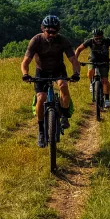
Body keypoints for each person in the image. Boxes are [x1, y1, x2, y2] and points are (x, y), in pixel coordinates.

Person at [21, 15, 81, 148]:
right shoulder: (36, 40)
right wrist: (25, 74)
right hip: (41, 71)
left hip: (58, 69)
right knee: (41, 98)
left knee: (63, 85)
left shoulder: (62, 40)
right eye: (48, 31)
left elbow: (73, 60)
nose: (51, 34)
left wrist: (76, 73)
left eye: (54, 31)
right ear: (43, 29)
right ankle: (41, 131)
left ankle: (64, 115)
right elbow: (25, 62)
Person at [74, 28, 110, 109]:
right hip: (92, 60)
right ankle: (91, 83)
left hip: (104, 61)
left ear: (103, 36)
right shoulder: (89, 41)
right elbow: (78, 49)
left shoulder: (107, 41)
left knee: (105, 80)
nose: (98, 40)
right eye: (96, 38)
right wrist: (76, 60)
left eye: (100, 38)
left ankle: (107, 99)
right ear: (93, 37)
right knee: (90, 71)